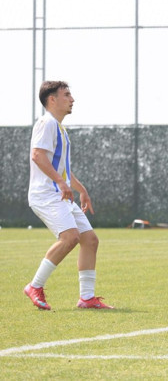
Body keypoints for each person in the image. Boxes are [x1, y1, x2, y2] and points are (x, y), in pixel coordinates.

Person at [23, 81, 114, 310]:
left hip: (59, 194)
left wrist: (80, 189)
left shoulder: (59, 127)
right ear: (52, 99)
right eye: (66, 94)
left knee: (90, 240)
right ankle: (35, 286)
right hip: (46, 195)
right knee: (70, 238)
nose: (72, 99)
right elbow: (37, 156)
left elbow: (61, 167)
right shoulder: (47, 123)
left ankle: (87, 298)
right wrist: (61, 182)